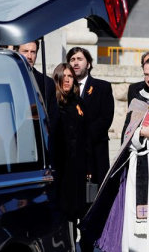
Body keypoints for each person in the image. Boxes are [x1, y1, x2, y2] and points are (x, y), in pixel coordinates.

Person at [80, 57, 149, 252]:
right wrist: (140, 133)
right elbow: (126, 138)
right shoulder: (137, 103)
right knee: (137, 221)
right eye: (146, 75)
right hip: (139, 167)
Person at [52, 63, 90, 251]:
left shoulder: (78, 102)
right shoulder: (53, 103)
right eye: (63, 75)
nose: (67, 79)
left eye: (70, 76)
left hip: (78, 167)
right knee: (63, 214)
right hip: (61, 167)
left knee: (77, 214)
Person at [66, 47, 114, 187]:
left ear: (88, 64)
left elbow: (106, 118)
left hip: (95, 150)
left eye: (80, 59)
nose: (76, 63)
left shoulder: (102, 87)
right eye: (72, 60)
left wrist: (83, 137)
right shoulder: (64, 88)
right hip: (72, 154)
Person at [14, 41, 59, 140]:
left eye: (33, 52)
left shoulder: (47, 82)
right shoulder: (7, 78)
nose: (29, 56)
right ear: (16, 52)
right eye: (25, 51)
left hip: (39, 140)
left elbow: (53, 117)